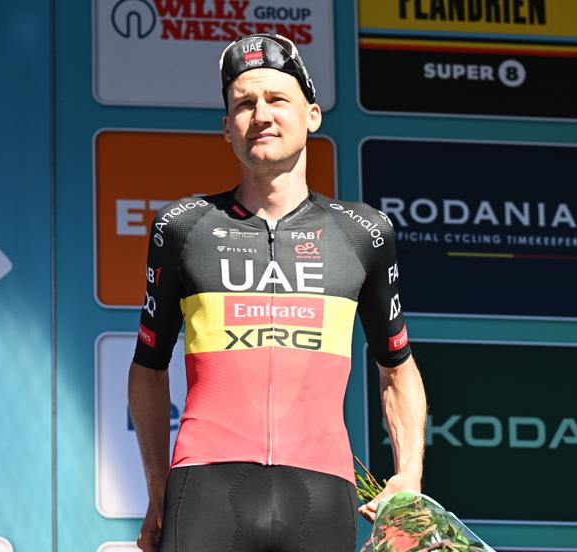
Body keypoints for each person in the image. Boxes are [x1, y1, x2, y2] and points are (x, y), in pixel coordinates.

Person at [128, 33, 427, 552]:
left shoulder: (363, 231)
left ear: (311, 115)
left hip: (322, 490)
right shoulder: (182, 226)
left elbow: (397, 369)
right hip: (204, 488)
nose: (260, 114)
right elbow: (148, 369)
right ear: (227, 128)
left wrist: (411, 474)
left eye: (276, 99)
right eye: (243, 103)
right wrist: (157, 487)